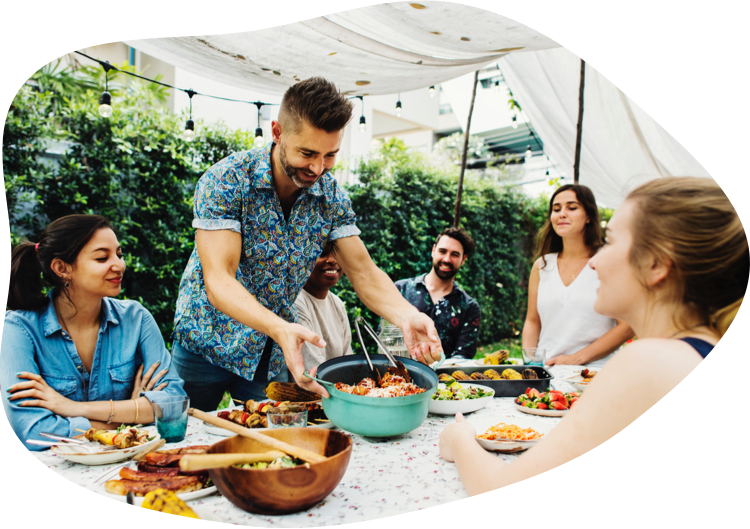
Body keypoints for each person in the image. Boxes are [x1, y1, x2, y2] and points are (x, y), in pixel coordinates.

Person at [438, 176, 748, 495]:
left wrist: (460, 440)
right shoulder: (695, 350)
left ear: (655, 264)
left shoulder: (650, 362)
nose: (596, 261)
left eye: (612, 241)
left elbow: (500, 484)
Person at [172, 77, 442, 411]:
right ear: (277, 132)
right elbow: (219, 280)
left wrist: (407, 315)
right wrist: (280, 327)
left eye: (330, 155)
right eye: (308, 153)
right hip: (206, 342)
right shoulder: (226, 180)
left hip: (271, 351)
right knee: (183, 441)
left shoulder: (331, 196)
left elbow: (364, 272)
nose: (318, 168)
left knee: (270, 448)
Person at [2, 215, 187, 451]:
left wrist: (72, 408)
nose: (120, 265)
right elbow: (32, 431)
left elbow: (172, 404)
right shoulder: (18, 330)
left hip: (129, 463)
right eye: (102, 257)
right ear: (62, 268)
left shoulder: (137, 319)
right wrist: (130, 413)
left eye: (119, 255)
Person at [522, 184, 633, 368]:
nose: (562, 214)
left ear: (588, 216)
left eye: (572, 208)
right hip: (546, 371)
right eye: (556, 209)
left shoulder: (610, 260)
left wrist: (576, 358)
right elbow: (532, 321)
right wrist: (530, 362)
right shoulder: (542, 265)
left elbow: (627, 326)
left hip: (595, 373)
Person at [395, 227, 480, 360]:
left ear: (463, 259)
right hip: (398, 375)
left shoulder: (469, 307)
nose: (447, 259)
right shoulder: (400, 290)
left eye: (455, 254)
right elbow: (385, 337)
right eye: (442, 251)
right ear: (433, 250)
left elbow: (463, 356)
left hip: (444, 378)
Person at [294, 241, 353, 371]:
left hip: (338, 387)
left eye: (337, 254)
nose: (332, 260)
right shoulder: (296, 302)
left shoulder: (338, 304)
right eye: (322, 253)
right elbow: (313, 370)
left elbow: (348, 359)